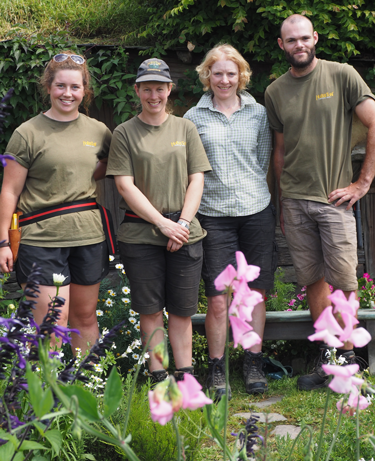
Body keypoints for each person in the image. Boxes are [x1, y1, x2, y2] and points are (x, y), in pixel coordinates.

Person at [264, 14, 375, 391]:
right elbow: (279, 152)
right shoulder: (275, 91)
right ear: (282, 45)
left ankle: (349, 364)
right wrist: (280, 203)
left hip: (334, 200)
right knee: (313, 282)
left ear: (315, 38)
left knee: (344, 285)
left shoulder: (341, 74)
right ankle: (329, 361)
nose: (298, 45)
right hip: (294, 202)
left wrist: (363, 182)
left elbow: (373, 122)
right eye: (290, 40)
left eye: (303, 38)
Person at [106, 58, 211, 383]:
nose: (154, 95)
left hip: (185, 232)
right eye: (147, 88)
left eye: (160, 88)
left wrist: (180, 222)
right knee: (150, 311)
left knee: (182, 310)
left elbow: (197, 179)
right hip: (141, 235)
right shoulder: (124, 132)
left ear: (169, 89)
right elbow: (125, 185)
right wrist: (162, 225)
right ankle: (159, 376)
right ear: (137, 90)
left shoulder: (185, 128)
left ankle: (185, 376)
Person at [0, 51, 112, 353]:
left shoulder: (99, 131)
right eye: (60, 86)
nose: (68, 93)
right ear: (48, 87)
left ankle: (86, 392)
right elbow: (9, 191)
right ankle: (47, 396)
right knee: (52, 323)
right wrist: (2, 243)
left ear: (84, 90)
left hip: (88, 236)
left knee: (84, 317)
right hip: (41, 239)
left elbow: (105, 170)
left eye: (75, 87)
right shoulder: (27, 133)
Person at [184, 44, 276, 399]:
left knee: (254, 294)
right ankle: (217, 368)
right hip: (214, 216)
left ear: (242, 76)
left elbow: (263, 160)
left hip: (255, 211)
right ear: (207, 76)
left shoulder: (258, 113)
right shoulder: (194, 117)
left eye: (231, 73)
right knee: (219, 297)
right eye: (217, 73)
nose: (224, 79)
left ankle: (253, 362)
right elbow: (192, 170)